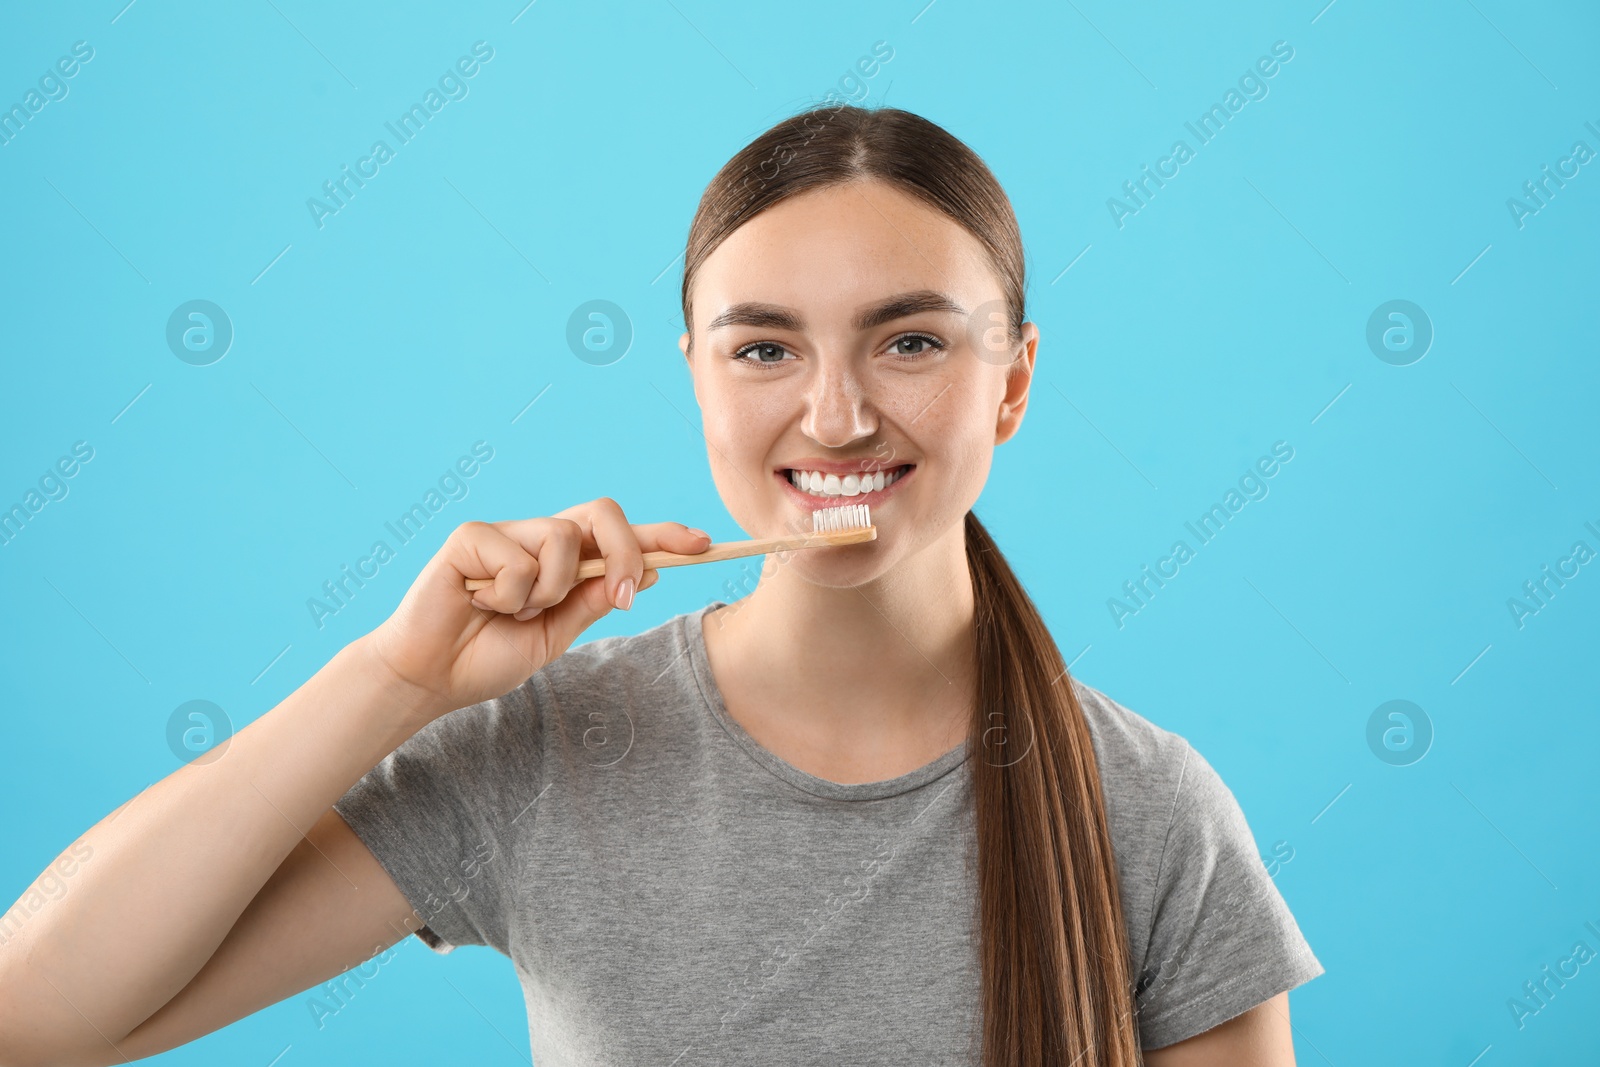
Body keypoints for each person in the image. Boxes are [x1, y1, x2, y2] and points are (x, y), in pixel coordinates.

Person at [0, 104, 1322, 1066]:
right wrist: (394, 681)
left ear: (1015, 382)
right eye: (764, 350)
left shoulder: (1150, 815)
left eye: (911, 340)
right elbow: (38, 1015)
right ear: (694, 373)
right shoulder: (553, 746)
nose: (839, 414)